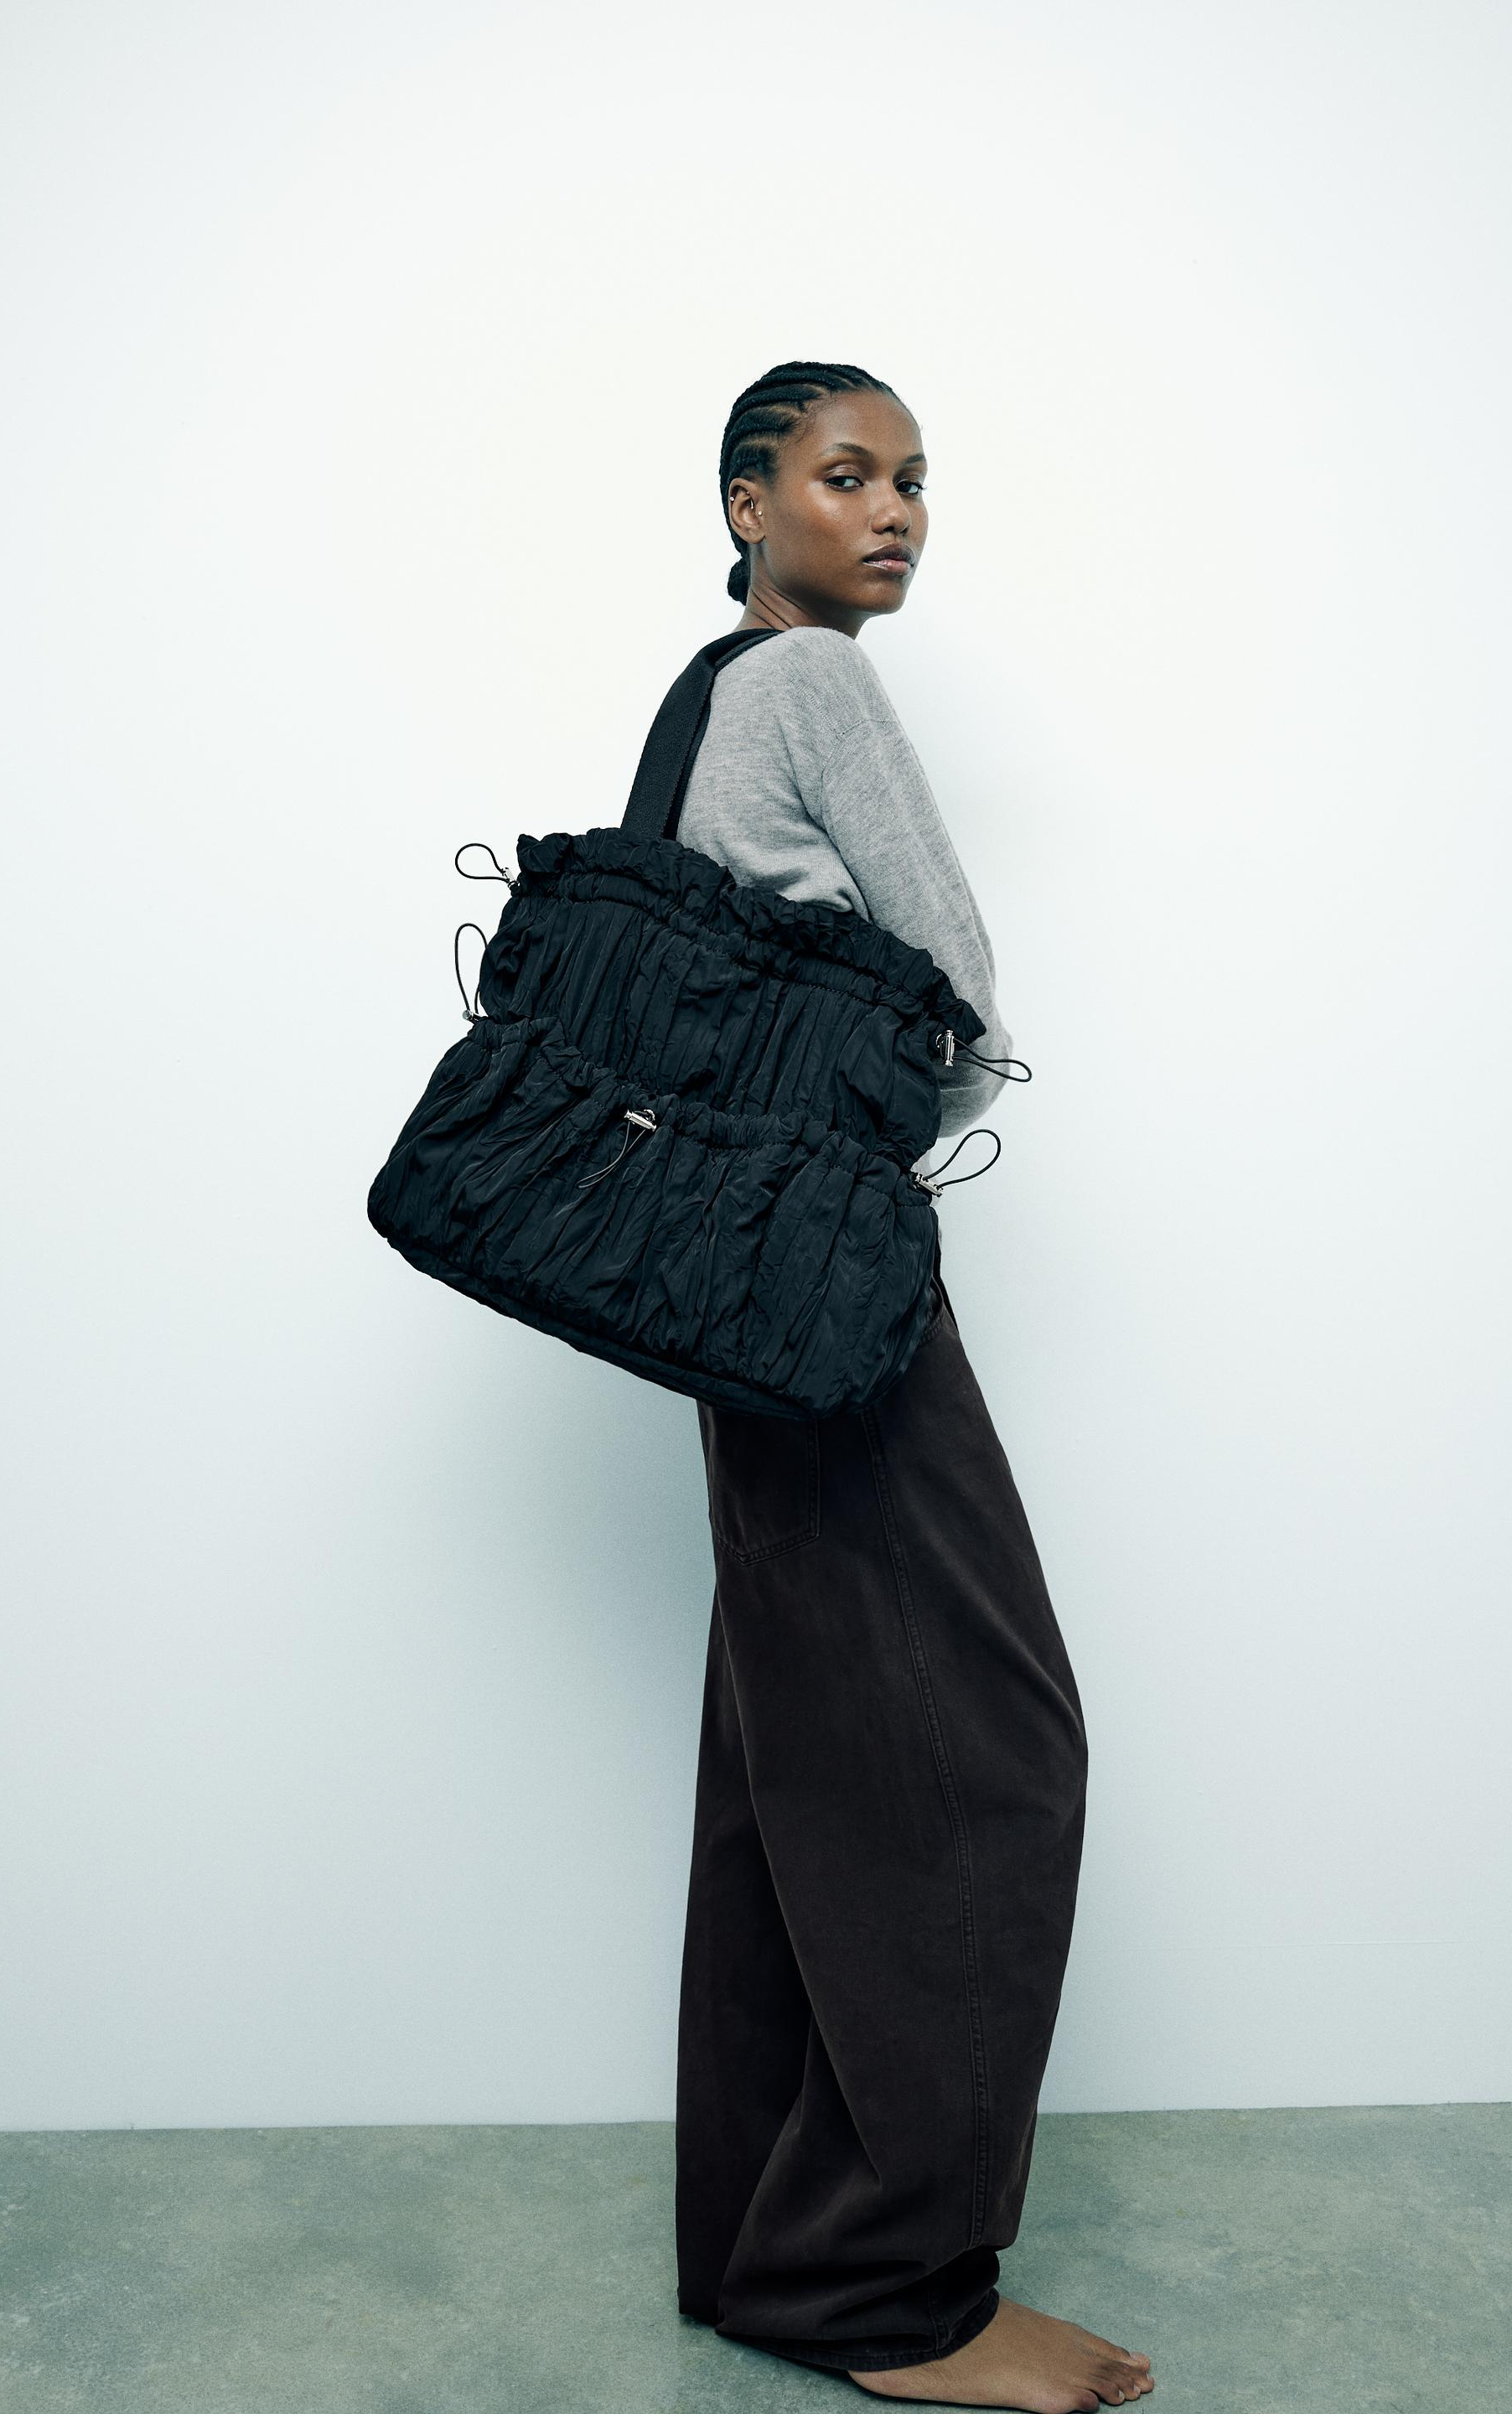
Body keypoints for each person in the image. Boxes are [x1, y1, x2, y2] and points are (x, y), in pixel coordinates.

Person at [671, 364, 1154, 2411]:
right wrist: (909, 1101)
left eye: (915, 482)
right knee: (990, 1745)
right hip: (830, 1263)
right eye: (845, 474)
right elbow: (959, 998)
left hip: (723, 1275)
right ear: (748, 501)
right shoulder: (812, 689)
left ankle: (773, 2251)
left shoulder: (701, 700)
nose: (892, 513)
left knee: (796, 1759)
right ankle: (900, 2298)